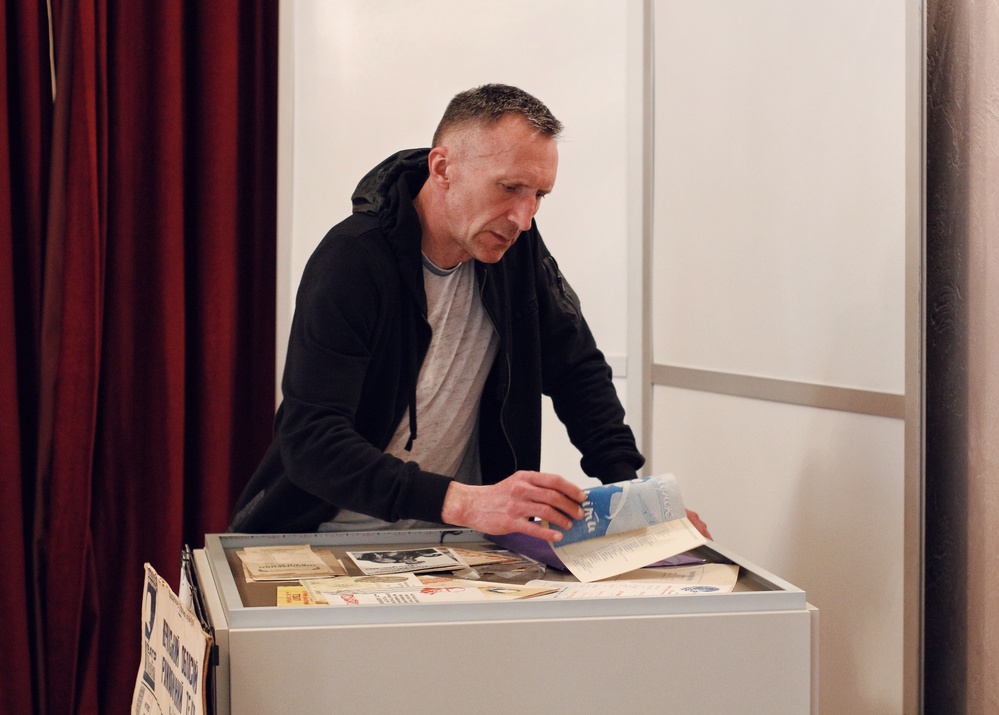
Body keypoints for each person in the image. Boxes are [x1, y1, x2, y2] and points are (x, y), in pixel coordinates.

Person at [229, 83, 709, 542]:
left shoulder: (513, 248)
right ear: (442, 168)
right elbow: (311, 441)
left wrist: (634, 501)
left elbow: (576, 370)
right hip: (322, 538)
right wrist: (465, 502)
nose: (523, 218)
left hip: (456, 546)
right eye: (509, 187)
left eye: (538, 196)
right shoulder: (352, 260)